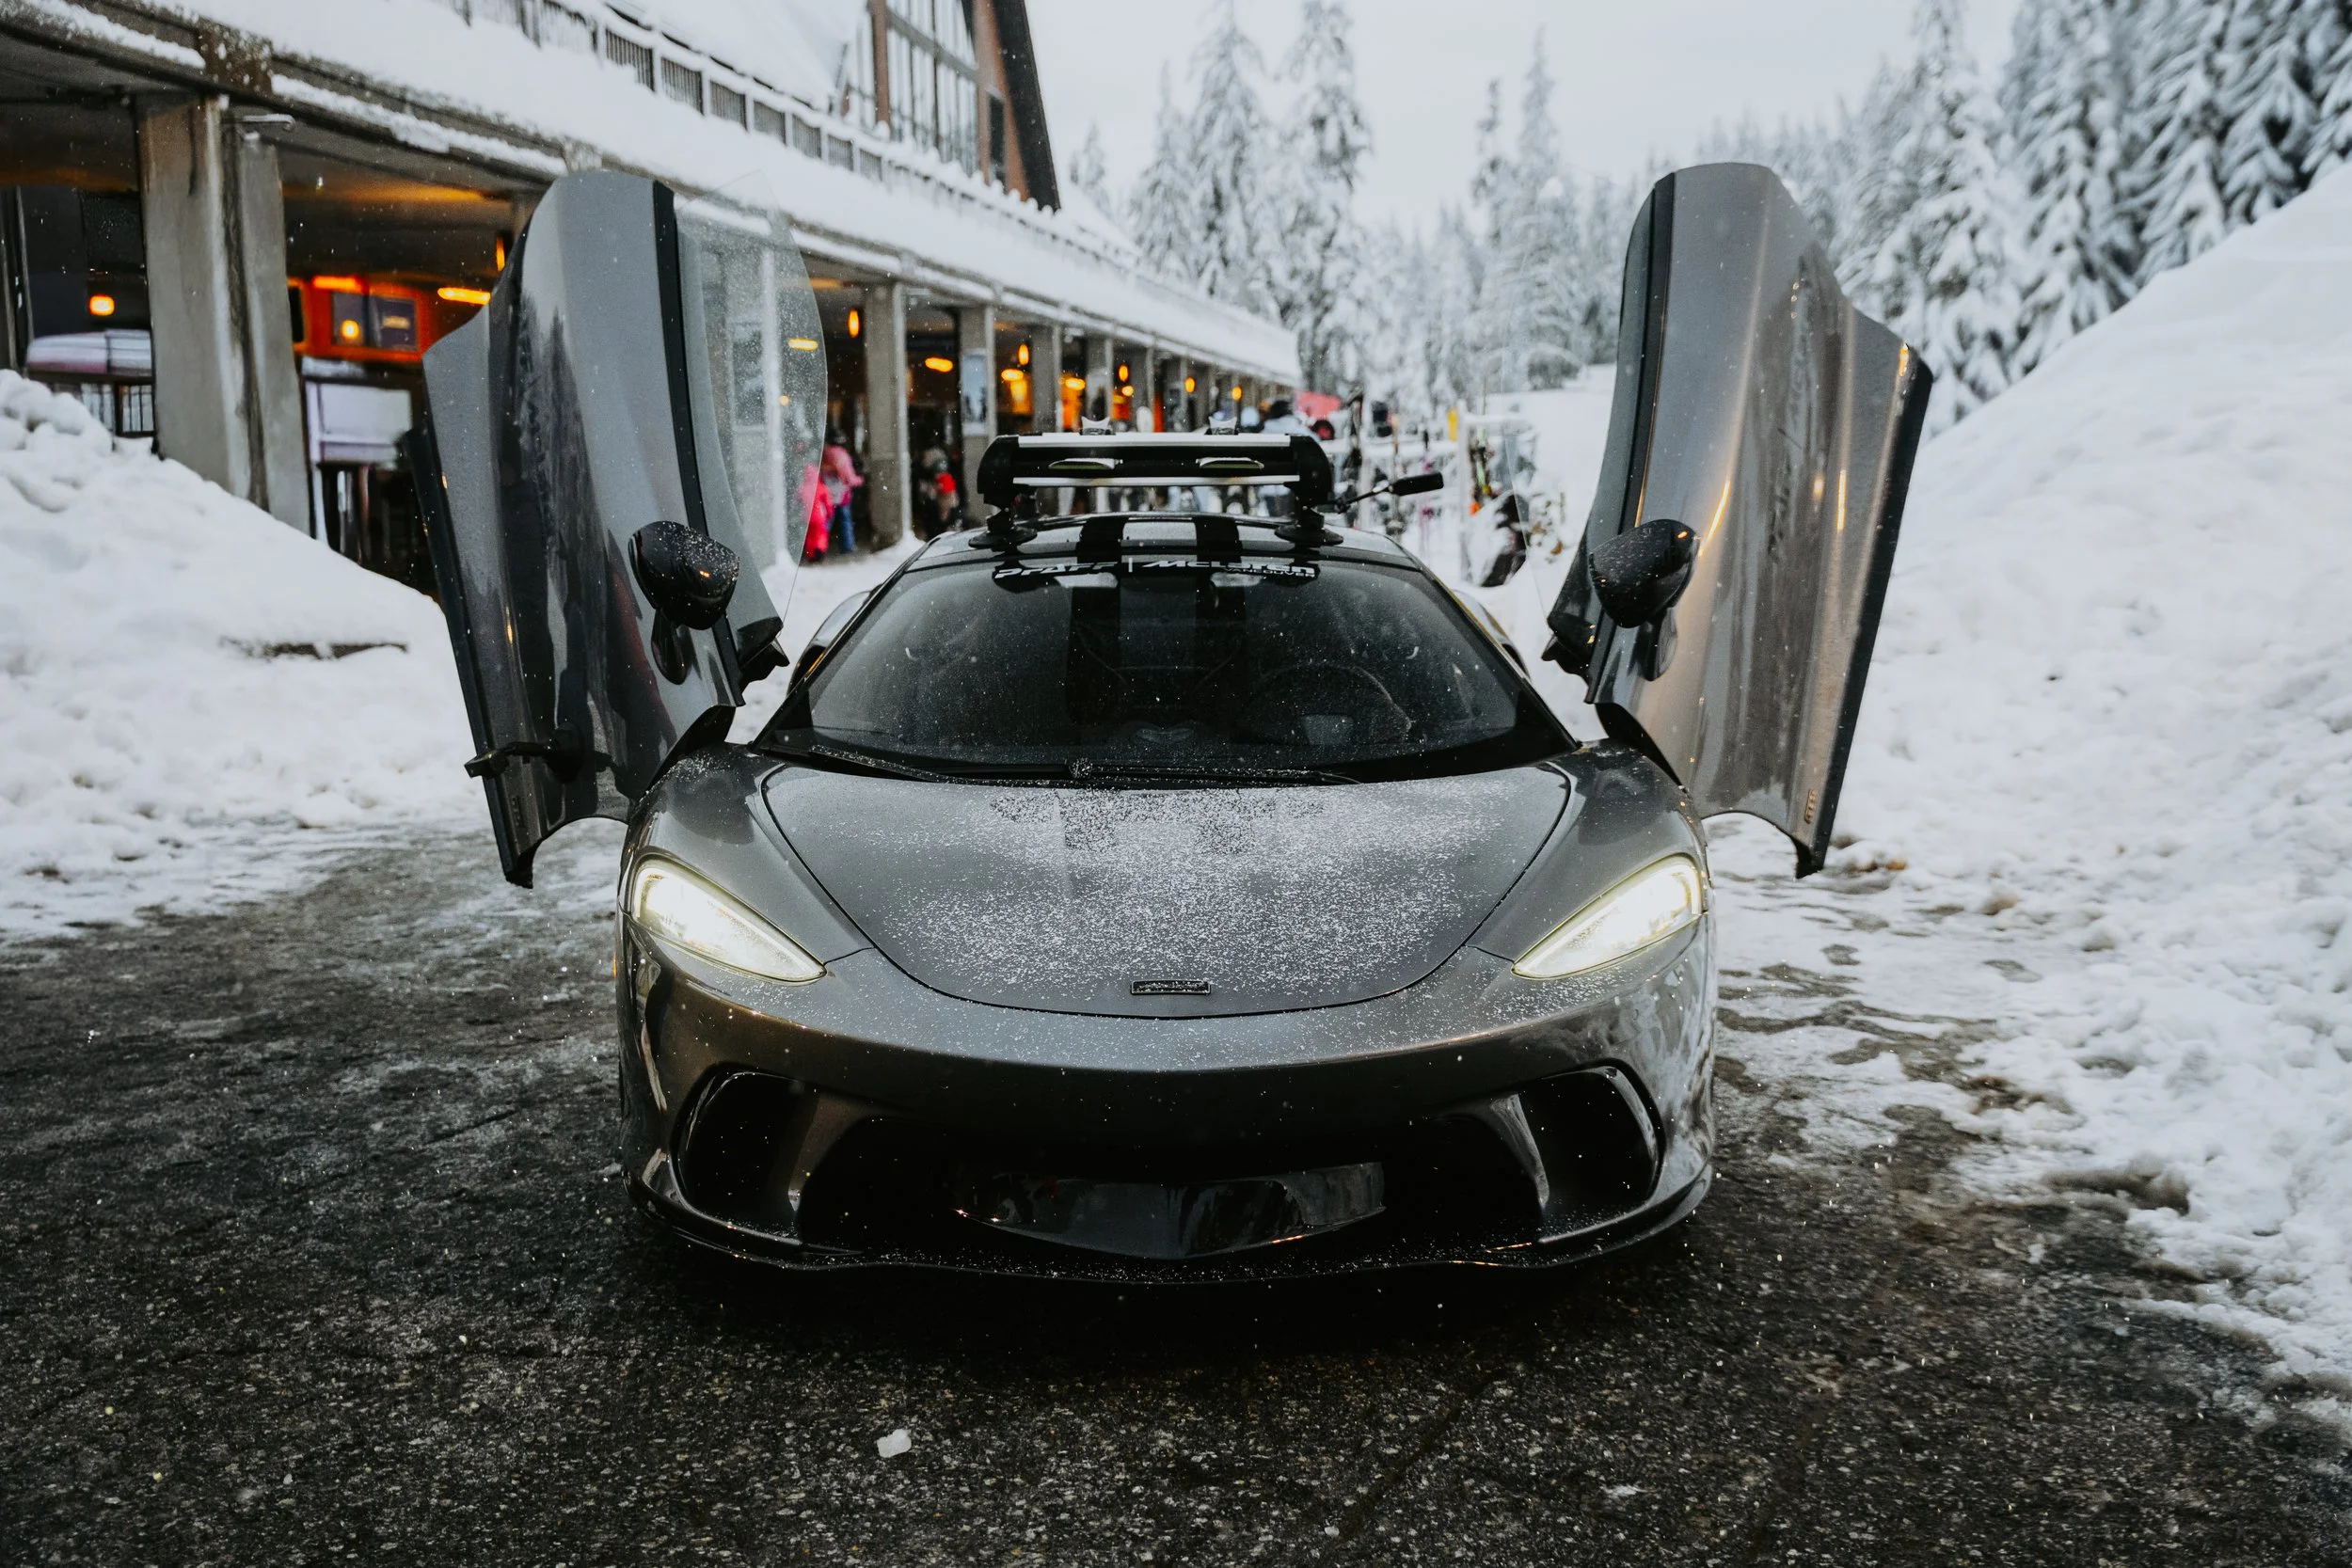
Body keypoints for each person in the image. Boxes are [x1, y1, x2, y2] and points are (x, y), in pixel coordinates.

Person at [819, 429, 862, 556]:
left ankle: (820, 546)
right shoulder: (843, 455)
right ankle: (847, 546)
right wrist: (859, 480)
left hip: (826, 492)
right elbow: (848, 477)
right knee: (845, 519)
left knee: (827, 520)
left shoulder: (824, 454)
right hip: (842, 493)